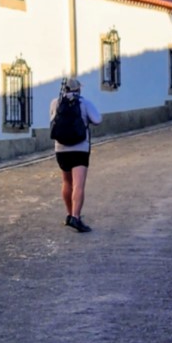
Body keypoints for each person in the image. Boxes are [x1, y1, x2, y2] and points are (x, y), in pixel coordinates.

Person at [49, 77, 102, 232]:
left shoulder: (55, 102)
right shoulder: (84, 102)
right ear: (78, 89)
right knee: (78, 184)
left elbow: (52, 120)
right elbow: (97, 119)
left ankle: (69, 214)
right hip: (80, 148)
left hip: (61, 149)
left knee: (66, 182)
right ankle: (76, 218)